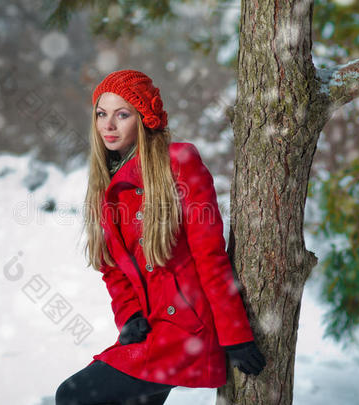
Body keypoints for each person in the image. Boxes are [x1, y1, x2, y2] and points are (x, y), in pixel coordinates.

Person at [55, 70, 266, 405]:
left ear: (144, 118)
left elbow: (209, 256)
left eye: (122, 114)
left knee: (72, 396)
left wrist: (235, 335)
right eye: (101, 114)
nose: (108, 125)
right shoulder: (103, 185)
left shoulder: (180, 163)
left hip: (187, 328)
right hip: (151, 329)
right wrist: (129, 318)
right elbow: (111, 268)